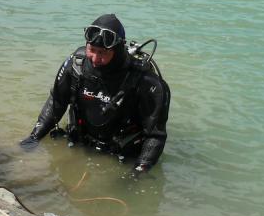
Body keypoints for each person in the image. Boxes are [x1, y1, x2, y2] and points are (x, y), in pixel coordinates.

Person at [20, 14, 170, 175]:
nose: (96, 58)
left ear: (117, 51)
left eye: (103, 53)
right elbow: (57, 102)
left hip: (123, 156)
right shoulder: (76, 66)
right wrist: (33, 138)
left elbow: (155, 136)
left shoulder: (146, 82)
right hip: (80, 142)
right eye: (92, 50)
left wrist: (138, 172)